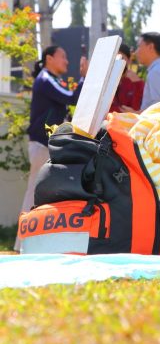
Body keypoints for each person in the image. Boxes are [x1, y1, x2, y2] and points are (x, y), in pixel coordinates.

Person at [15, 45, 88, 251]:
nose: (67, 61)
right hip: (41, 145)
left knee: (42, 193)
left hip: (47, 145)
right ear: (49, 58)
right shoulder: (46, 79)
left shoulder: (53, 80)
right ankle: (22, 243)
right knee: (34, 192)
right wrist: (84, 77)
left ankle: (30, 242)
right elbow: (72, 97)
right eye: (63, 56)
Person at [109, 43, 145, 112]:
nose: (117, 62)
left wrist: (137, 84)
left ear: (129, 60)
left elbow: (137, 108)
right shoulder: (106, 82)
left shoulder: (137, 82)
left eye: (121, 58)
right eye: (114, 59)